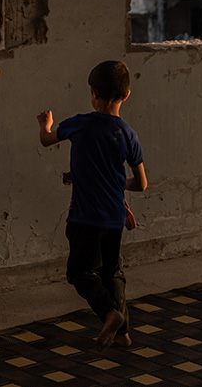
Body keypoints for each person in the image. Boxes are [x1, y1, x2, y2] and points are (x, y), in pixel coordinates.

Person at [37, 60, 147, 350]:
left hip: (85, 217)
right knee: (112, 272)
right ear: (126, 95)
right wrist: (117, 186)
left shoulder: (80, 124)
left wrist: (44, 124)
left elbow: (47, 140)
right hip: (114, 216)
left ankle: (109, 314)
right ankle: (123, 333)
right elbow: (141, 183)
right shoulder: (129, 134)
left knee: (79, 272)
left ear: (93, 92)